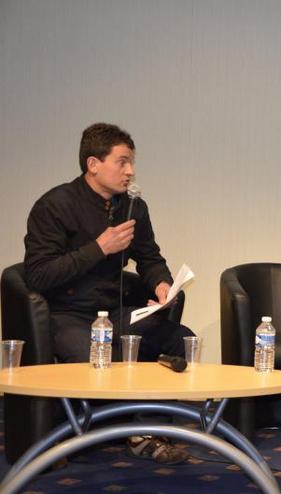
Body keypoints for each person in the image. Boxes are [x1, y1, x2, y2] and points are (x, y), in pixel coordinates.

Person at [24, 122, 195, 464]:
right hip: (67, 314)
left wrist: (162, 284)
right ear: (93, 164)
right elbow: (38, 274)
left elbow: (149, 258)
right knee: (97, 351)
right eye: (122, 161)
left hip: (114, 310)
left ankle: (152, 429)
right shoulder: (54, 206)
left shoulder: (132, 206)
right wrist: (99, 248)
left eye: (132, 162)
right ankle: (80, 436)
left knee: (180, 339)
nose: (130, 171)